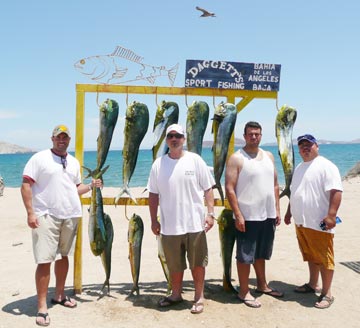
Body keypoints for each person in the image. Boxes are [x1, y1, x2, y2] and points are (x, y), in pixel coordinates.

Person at [21, 125, 103, 326]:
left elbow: (75, 189)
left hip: (71, 216)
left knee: (64, 256)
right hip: (46, 216)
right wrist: (30, 212)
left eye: (65, 138)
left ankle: (59, 295)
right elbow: (25, 185)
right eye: (58, 137)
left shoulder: (73, 162)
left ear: (69, 140)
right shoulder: (39, 158)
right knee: (44, 260)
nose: (62, 140)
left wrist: (92, 186)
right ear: (52, 138)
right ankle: (42, 307)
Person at [147, 123, 215, 314]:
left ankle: (199, 296)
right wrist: (153, 220)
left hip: (195, 224)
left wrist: (210, 213)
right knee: (175, 264)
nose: (174, 139)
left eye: (178, 135)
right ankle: (176, 294)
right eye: (170, 136)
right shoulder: (158, 164)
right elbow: (153, 195)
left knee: (198, 263)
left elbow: (208, 188)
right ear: (166, 140)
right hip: (169, 226)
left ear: (184, 139)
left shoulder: (195, 160)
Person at [225, 121, 283, 308]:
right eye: (250, 134)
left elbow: (275, 184)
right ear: (245, 135)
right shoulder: (237, 158)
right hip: (247, 216)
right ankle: (244, 291)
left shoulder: (268, 156)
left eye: (257, 134)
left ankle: (262, 285)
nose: (254, 137)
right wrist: (238, 214)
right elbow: (230, 189)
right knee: (245, 255)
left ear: (261, 135)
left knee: (261, 253)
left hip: (267, 214)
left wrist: (277, 209)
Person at [284, 134, 342, 309]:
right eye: (301, 145)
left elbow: (336, 192)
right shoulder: (300, 167)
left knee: (324, 258)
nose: (305, 148)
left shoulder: (326, 166)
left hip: (319, 222)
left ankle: (327, 293)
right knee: (310, 255)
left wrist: (331, 215)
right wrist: (289, 212)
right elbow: (295, 192)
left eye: (308, 144)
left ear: (316, 146)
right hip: (302, 222)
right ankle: (312, 284)